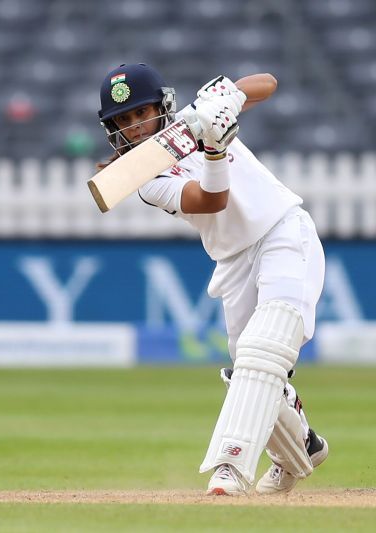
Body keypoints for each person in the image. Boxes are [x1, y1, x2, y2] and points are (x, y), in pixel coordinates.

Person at [96, 63, 329, 496]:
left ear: (161, 107)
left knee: (264, 351)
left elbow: (268, 83)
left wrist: (227, 103)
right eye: (123, 121)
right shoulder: (147, 179)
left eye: (140, 113)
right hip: (234, 261)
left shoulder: (197, 114)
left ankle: (230, 466)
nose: (134, 126)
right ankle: (303, 448)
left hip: (282, 230)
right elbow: (210, 201)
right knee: (250, 370)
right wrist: (216, 150)